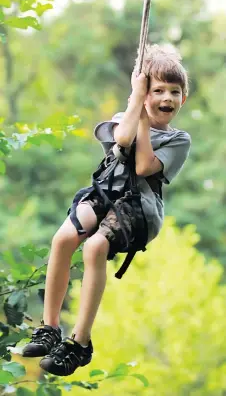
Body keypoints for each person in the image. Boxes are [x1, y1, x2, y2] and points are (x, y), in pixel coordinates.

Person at [22, 44, 191, 377]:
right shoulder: (125, 117)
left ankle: (80, 341)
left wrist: (143, 118)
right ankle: (50, 327)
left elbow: (143, 167)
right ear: (145, 93)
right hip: (106, 193)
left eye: (174, 92)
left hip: (140, 208)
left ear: (183, 98)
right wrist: (135, 103)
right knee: (63, 238)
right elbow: (123, 138)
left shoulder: (179, 140)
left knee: (96, 246)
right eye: (157, 90)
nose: (166, 98)